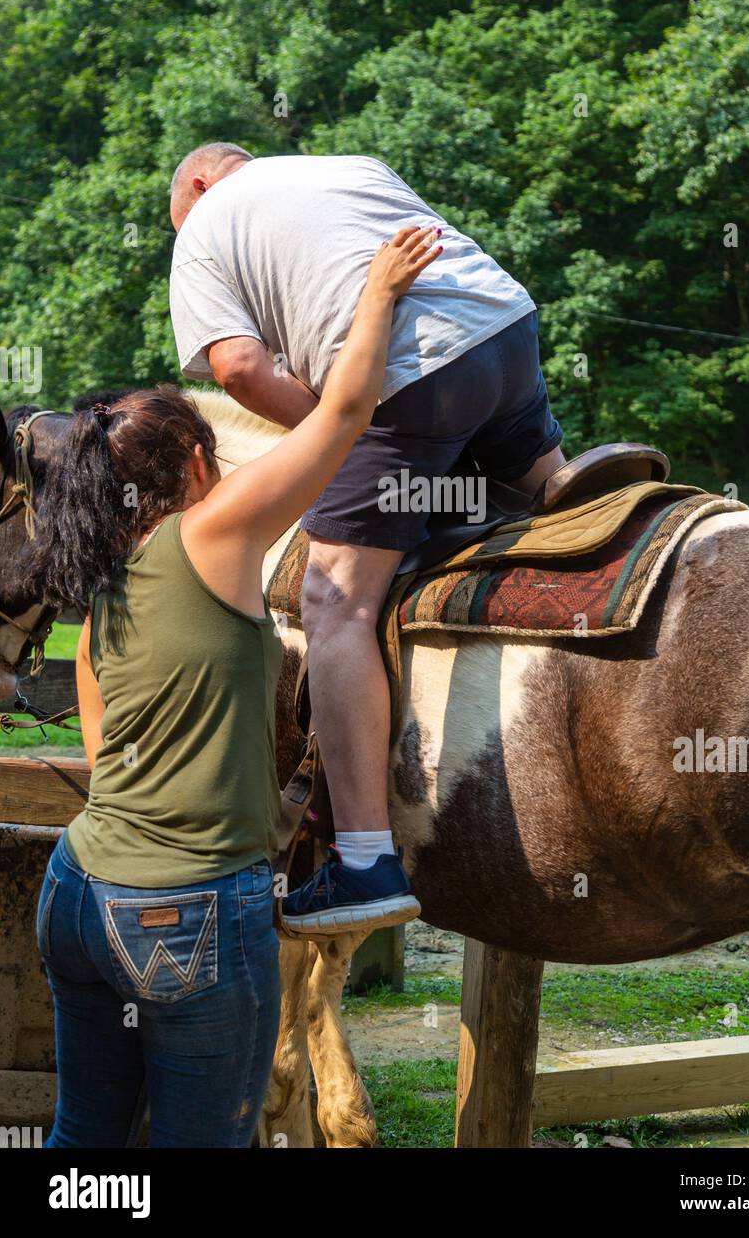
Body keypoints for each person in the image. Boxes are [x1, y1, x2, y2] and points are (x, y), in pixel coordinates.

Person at [31, 226, 439, 1148]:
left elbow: (110, 767)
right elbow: (339, 419)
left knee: (84, 1138)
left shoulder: (106, 584)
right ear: (194, 469)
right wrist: (377, 291)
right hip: (191, 914)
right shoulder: (211, 537)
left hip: (79, 892)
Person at [168, 143, 567, 933]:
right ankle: (572, 486)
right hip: (506, 333)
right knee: (554, 503)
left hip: (409, 379)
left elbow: (240, 369)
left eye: (174, 211)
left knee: (334, 600)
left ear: (201, 184)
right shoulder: (349, 165)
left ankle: (365, 860)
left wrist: (332, 431)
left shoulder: (205, 224)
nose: (179, 227)